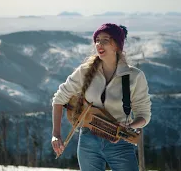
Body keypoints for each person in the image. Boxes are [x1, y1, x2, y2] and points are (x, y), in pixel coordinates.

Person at [51, 23, 152, 171]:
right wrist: (56, 135)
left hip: (120, 142)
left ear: (117, 45)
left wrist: (130, 126)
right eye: (97, 40)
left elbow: (144, 114)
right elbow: (59, 99)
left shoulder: (134, 76)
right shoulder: (84, 71)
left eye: (105, 40)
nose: (99, 44)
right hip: (88, 141)